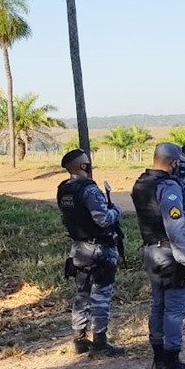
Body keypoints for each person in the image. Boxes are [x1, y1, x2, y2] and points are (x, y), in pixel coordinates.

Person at [131, 142, 185, 369]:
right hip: (170, 254)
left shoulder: (141, 182)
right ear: (172, 163)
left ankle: (158, 358)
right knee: (174, 310)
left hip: (151, 251)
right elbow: (175, 227)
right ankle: (172, 361)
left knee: (158, 305)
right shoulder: (168, 187)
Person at [56, 149, 125, 356]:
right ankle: (100, 343)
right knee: (101, 296)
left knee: (82, 294)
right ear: (84, 166)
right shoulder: (89, 189)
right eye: (87, 162)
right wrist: (117, 210)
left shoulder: (64, 189)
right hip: (99, 248)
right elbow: (103, 218)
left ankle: (79, 339)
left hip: (78, 249)